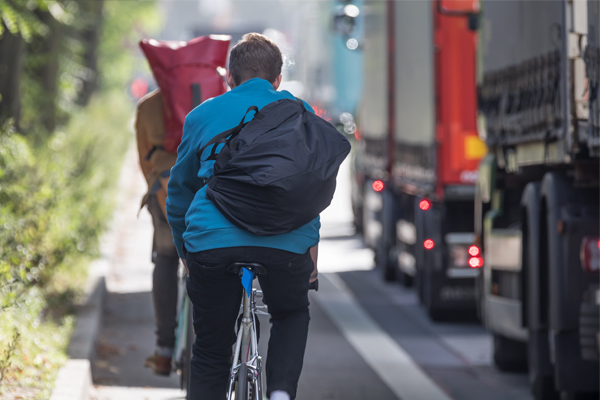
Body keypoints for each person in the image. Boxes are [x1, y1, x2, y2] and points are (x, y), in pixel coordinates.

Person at [166, 33, 319, 400]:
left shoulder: (202, 116)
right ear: (277, 80)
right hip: (286, 244)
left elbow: (178, 195)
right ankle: (280, 392)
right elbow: (311, 191)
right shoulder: (301, 113)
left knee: (211, 347)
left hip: (211, 242)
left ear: (228, 78)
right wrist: (310, 254)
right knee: (290, 313)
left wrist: (188, 253)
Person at [135, 90, 180, 376]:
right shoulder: (216, 97)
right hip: (208, 194)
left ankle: (164, 351)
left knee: (165, 258)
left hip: (167, 192)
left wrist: (156, 187)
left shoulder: (148, 106)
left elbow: (144, 160)